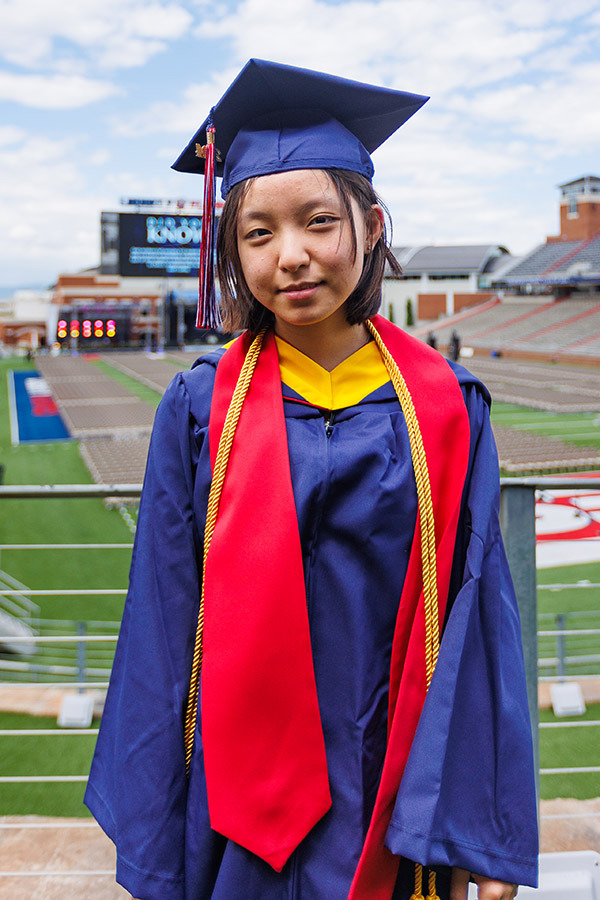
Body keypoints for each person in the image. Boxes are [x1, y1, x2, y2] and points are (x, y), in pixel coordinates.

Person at [85, 60, 538, 900]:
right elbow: (160, 614)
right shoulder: (197, 409)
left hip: (390, 782)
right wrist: (152, 826)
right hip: (233, 800)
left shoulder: (443, 408)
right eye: (258, 233)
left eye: (319, 222)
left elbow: (477, 614)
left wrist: (476, 825)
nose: (290, 256)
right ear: (232, 252)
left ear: (369, 227)